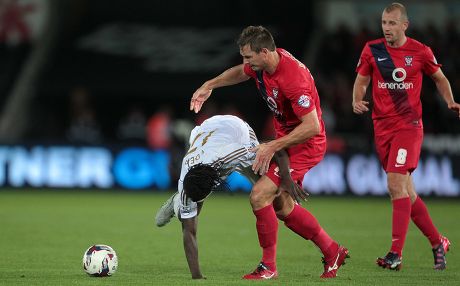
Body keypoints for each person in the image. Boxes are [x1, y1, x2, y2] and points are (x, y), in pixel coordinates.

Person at [189, 26, 349, 279]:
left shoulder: (294, 79)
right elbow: (241, 73)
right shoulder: (265, 65)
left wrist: (272, 145)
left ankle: (268, 267)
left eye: (249, 57)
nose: (246, 63)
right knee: (282, 206)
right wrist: (210, 84)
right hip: (285, 142)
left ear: (264, 52)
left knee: (259, 195)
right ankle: (332, 251)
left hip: (305, 145)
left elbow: (312, 126)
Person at [352, 2, 459, 271]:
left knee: (394, 184)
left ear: (404, 25)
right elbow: (362, 80)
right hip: (382, 128)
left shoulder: (420, 51)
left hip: (408, 127)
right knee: (407, 193)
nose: (386, 28)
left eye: (392, 23)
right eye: (384, 23)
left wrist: (450, 100)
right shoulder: (372, 49)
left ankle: (395, 253)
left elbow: (440, 78)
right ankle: (438, 242)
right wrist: (356, 99)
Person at [155, 115, 307, 279]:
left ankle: (274, 257)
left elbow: (273, 147)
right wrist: (197, 276)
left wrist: (286, 179)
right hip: (205, 134)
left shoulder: (237, 153)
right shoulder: (186, 177)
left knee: (270, 193)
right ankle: (177, 202)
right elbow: (189, 232)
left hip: (237, 132)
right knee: (187, 216)